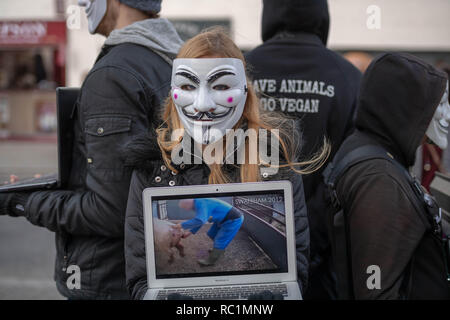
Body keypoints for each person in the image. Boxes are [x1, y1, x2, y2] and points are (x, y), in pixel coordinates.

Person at [124, 28, 330, 300]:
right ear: (174, 93)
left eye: (221, 86)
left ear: (245, 92)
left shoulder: (275, 168)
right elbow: (139, 278)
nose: (202, 104)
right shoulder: (153, 169)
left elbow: (295, 272)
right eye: (188, 86)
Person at [0, 0, 182, 299]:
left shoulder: (114, 73)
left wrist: (22, 202)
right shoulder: (169, 59)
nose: (81, 3)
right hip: (152, 271)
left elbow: (110, 210)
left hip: (111, 278)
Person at [244, 0, 362, 299]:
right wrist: (316, 235)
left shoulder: (243, 70)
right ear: (322, 14)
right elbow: (353, 163)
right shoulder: (347, 76)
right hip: (325, 246)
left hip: (252, 233)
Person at [327, 53, 450, 299]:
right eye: (440, 103)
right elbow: (376, 291)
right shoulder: (379, 178)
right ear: (407, 105)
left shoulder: (374, 156)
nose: (447, 113)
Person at [176, 198, 244, 266]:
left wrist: (181, 225)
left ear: (188, 203)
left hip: (233, 219)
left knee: (220, 240)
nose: (187, 209)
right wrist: (189, 233)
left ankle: (211, 261)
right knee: (212, 233)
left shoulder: (200, 203)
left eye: (185, 207)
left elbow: (200, 220)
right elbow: (201, 220)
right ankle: (219, 250)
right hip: (221, 218)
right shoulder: (198, 202)